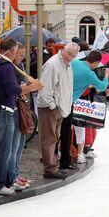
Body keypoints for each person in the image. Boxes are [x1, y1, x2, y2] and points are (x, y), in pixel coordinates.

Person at [0, 38, 42, 194]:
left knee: (5, 149)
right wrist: (32, 87)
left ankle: (6, 181)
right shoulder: (6, 66)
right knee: (4, 150)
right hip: (4, 112)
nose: (18, 54)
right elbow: (13, 90)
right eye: (17, 51)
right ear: (11, 51)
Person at [38, 42, 77, 180]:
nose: (70, 57)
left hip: (59, 108)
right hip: (51, 108)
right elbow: (45, 89)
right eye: (68, 53)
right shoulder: (53, 64)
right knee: (49, 139)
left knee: (54, 138)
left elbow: (67, 86)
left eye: (73, 55)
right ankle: (50, 169)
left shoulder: (67, 65)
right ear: (63, 50)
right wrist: (53, 106)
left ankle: (52, 166)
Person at [71, 51, 109, 164]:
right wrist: (106, 76)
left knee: (63, 130)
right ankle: (79, 155)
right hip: (74, 102)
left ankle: (59, 153)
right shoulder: (90, 74)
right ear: (97, 62)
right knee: (80, 129)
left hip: (62, 99)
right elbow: (102, 86)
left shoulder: (74, 63)